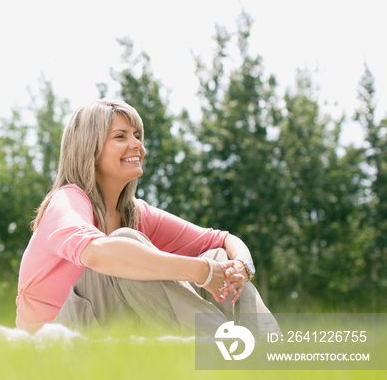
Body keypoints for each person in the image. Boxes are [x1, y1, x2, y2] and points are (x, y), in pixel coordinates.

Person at [15, 99, 278, 334]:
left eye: (137, 135)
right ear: (89, 148)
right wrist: (200, 272)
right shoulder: (67, 200)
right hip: (53, 337)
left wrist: (242, 266)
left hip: (106, 320)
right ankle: (224, 343)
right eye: (120, 136)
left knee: (218, 257)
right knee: (123, 245)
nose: (137, 145)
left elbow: (223, 240)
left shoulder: (134, 212)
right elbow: (97, 254)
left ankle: (271, 348)